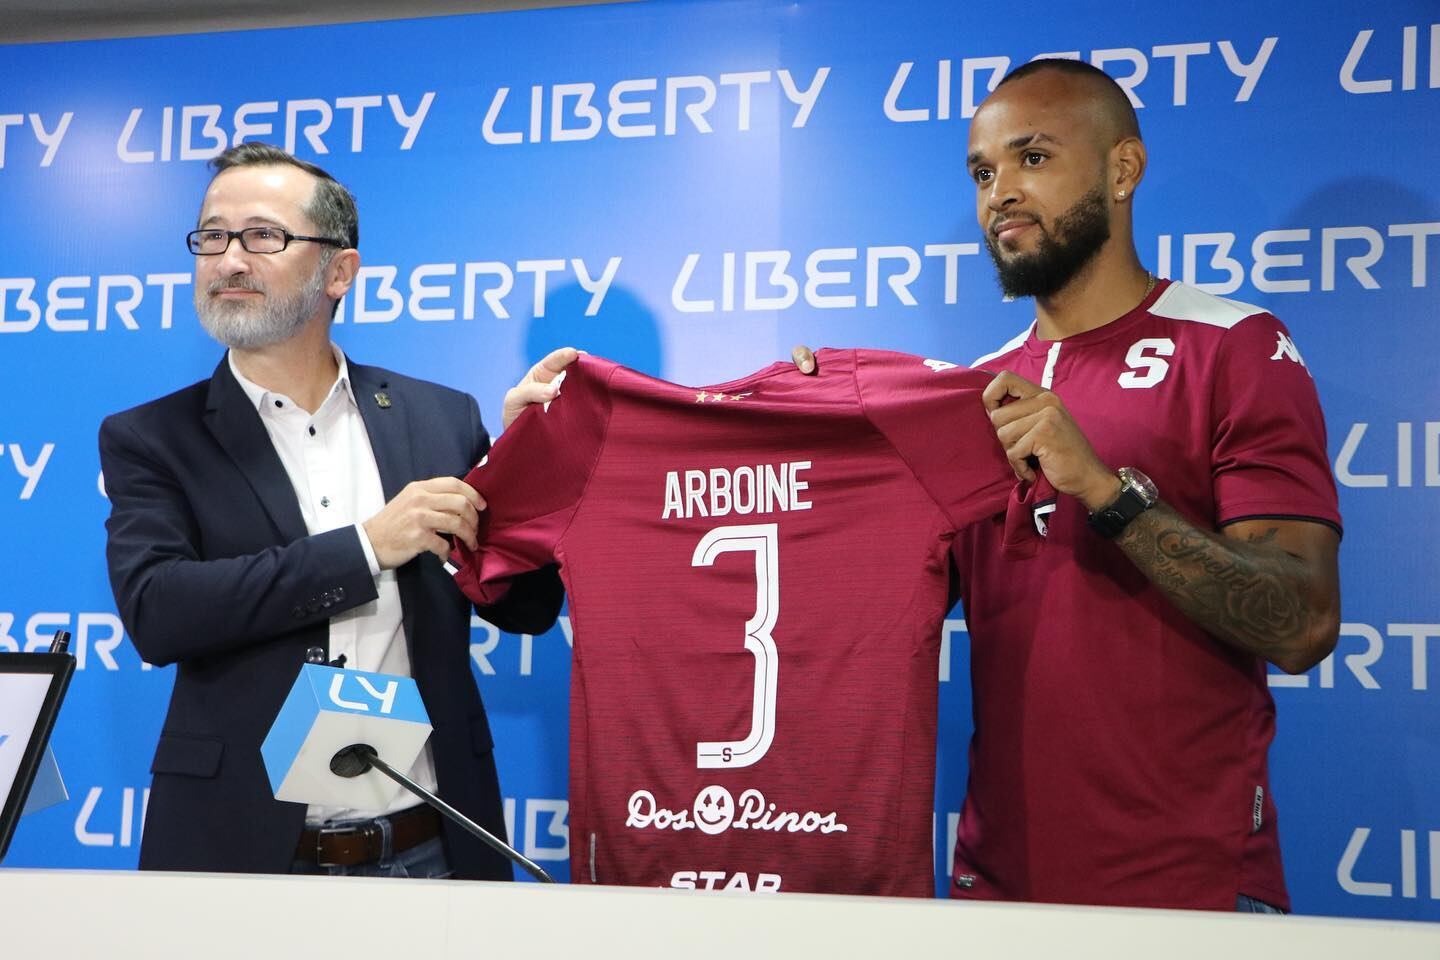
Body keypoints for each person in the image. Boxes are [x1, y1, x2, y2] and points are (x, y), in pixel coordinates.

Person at [789, 58, 1341, 911]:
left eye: (1033, 159)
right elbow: (854, 628)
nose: (1000, 193)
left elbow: (1303, 622)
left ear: (1123, 170)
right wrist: (804, 448)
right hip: (997, 894)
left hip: (1189, 895)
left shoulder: (1234, 348)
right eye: (982, 172)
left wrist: (1109, 493)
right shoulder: (970, 396)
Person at [100, 142, 561, 880]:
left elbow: (529, 608)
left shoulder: (440, 418)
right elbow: (160, 612)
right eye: (212, 236)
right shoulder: (154, 437)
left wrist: (524, 468)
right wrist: (369, 547)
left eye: (262, 235)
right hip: (244, 854)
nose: (229, 260)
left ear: (338, 270)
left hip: (430, 844)